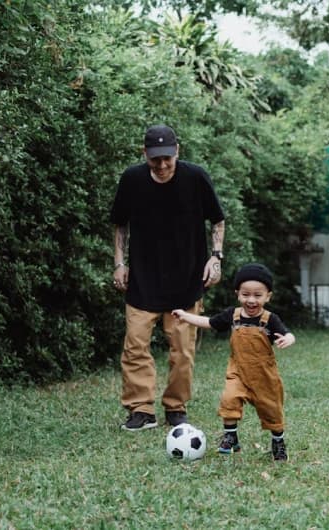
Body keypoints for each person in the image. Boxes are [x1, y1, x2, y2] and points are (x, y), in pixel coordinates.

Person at [110, 124, 226, 431]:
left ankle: (176, 406)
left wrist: (216, 258)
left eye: (167, 159)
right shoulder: (132, 179)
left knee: (183, 351)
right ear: (144, 153)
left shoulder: (195, 177)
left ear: (177, 151)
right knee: (135, 346)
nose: (161, 165)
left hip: (186, 279)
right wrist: (119, 263)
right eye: (155, 159)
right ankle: (141, 409)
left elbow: (218, 220)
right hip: (143, 279)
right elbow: (120, 223)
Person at [172, 263, 296, 462]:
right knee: (229, 399)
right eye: (246, 294)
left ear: (268, 296)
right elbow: (209, 322)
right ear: (238, 294)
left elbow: (287, 333)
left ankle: (278, 443)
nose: (251, 300)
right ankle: (231, 436)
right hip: (237, 370)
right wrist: (186, 316)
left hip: (264, 375)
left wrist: (289, 338)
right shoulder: (233, 315)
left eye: (258, 295)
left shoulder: (270, 319)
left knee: (272, 410)